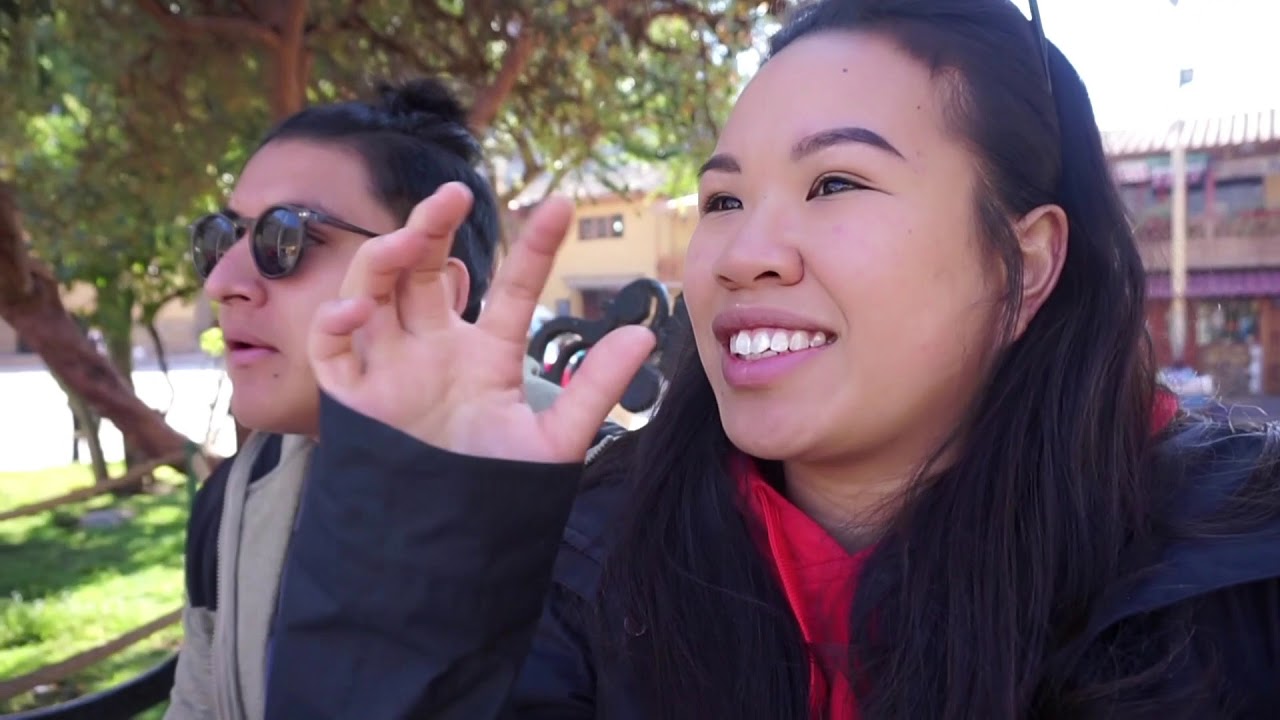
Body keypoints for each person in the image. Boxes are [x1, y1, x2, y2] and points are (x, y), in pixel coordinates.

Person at [265, 1, 1280, 718]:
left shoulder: (1234, 567)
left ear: (1022, 260)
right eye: (721, 200)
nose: (743, 254)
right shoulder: (588, 565)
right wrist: (426, 542)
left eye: (835, 184)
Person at [162, 79, 593, 720]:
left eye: (286, 241)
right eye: (221, 239)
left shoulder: (599, 526)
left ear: (434, 293)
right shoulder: (232, 507)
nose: (223, 282)